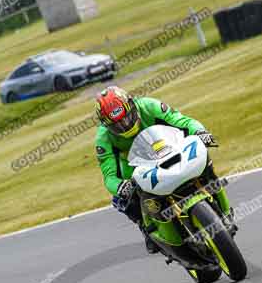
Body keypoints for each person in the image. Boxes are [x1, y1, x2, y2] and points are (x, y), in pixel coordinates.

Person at [94, 86, 226, 254]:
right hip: (135, 168)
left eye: (126, 118)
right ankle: (146, 226)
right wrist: (120, 186)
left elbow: (182, 121)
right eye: (117, 124)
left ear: (132, 106)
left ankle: (222, 205)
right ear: (106, 124)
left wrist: (200, 132)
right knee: (123, 199)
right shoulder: (103, 138)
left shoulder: (150, 106)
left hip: (170, 148)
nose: (124, 125)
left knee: (204, 159)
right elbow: (109, 175)